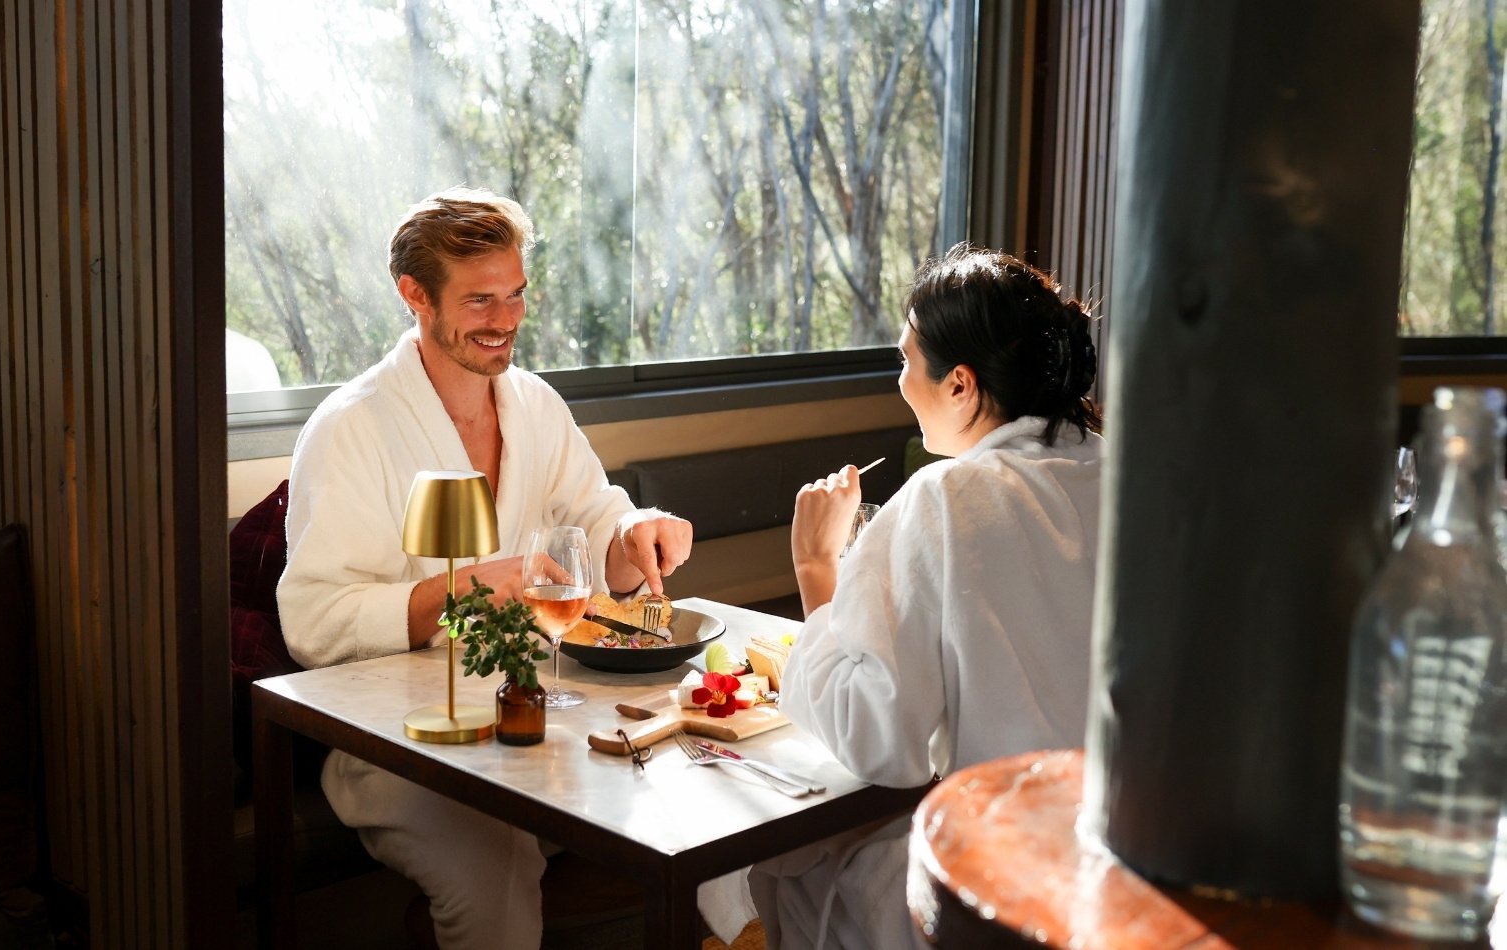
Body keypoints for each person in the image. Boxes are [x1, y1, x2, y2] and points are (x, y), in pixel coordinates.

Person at [277, 187, 692, 949]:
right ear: (415, 296)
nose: (504, 320)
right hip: (406, 739)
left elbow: (596, 521)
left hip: (545, 706)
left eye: (515, 295)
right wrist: (458, 591)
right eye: (479, 300)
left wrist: (633, 536)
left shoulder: (535, 405)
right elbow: (313, 619)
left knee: (694, 788)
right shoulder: (349, 428)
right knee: (496, 867)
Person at [749, 245, 1105, 949]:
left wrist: (814, 564)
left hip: (1007, 878)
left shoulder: (946, 497)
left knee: (789, 861)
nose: (902, 382)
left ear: (961, 386)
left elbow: (880, 739)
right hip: (1118, 859)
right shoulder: (1121, 472)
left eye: (907, 361)